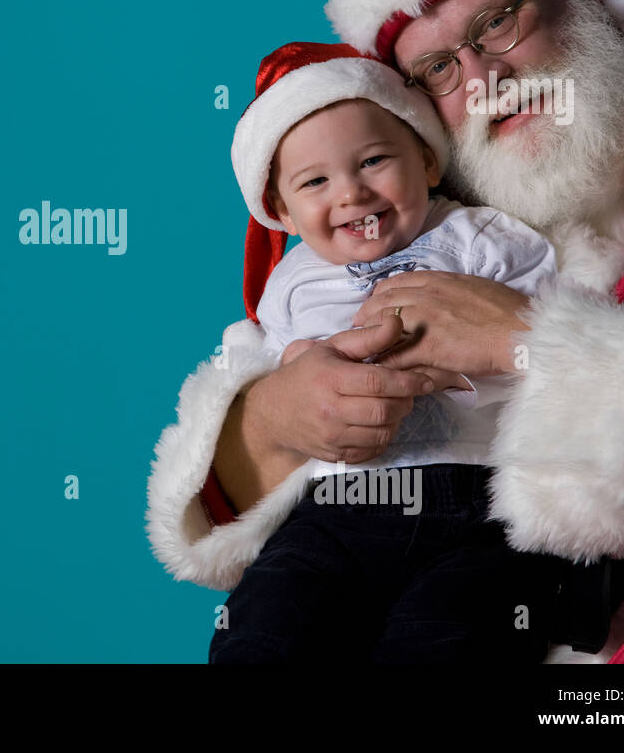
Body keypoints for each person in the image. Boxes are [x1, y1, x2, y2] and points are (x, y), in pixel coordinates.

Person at [146, 0, 624, 662]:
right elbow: (241, 484)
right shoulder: (425, 198)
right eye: (438, 67)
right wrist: (278, 418)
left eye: (497, 21)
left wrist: (525, 337)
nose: (485, 79)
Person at [210, 39, 563, 662]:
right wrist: (295, 375)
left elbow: (554, 336)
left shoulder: (478, 236)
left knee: (446, 634)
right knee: (267, 624)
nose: (350, 193)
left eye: (374, 161)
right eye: (315, 181)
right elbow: (257, 374)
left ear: (427, 161)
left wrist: (466, 358)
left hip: (473, 497)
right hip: (334, 509)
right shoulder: (291, 282)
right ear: (283, 212)